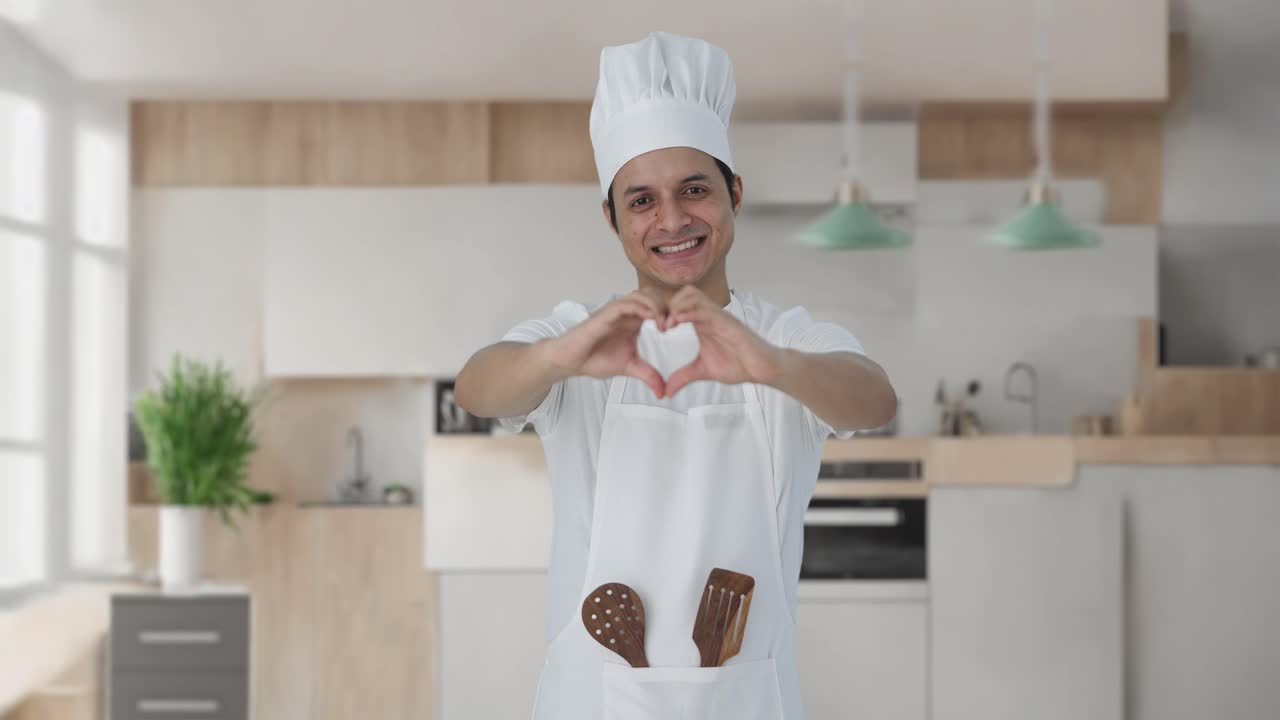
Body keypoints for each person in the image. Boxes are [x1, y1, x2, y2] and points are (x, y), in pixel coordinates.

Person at [454, 30, 897, 720]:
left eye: (694, 189)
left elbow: (874, 398)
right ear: (612, 218)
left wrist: (773, 367)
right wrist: (557, 357)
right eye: (641, 200)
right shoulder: (580, 336)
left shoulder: (784, 338)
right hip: (592, 698)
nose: (672, 219)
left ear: (734, 195)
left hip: (745, 696)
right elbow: (478, 387)